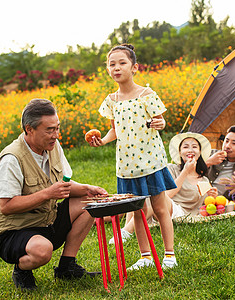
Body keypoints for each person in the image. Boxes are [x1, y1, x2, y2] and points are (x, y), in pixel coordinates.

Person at [0, 99, 108, 291]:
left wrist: (89, 189)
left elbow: (64, 185)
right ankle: (21, 270)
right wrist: (47, 194)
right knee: (42, 251)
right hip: (14, 232)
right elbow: (6, 206)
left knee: (91, 201)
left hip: (47, 222)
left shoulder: (53, 146)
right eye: (49, 130)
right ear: (29, 129)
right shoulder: (11, 158)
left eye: (57, 128)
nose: (56, 135)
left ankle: (66, 267)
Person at [87, 44, 178, 270]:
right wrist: (103, 140)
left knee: (159, 208)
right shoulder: (111, 100)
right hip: (127, 165)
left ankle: (170, 255)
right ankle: (145, 257)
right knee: (137, 211)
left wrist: (161, 123)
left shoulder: (147, 94)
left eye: (122, 63)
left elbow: (161, 121)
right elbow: (114, 130)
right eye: (111, 64)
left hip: (151, 162)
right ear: (108, 70)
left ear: (134, 67)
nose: (116, 68)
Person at [108, 132, 218, 244]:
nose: (190, 150)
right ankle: (126, 230)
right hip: (161, 209)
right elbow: (167, 194)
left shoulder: (204, 180)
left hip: (180, 213)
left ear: (199, 153)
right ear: (180, 152)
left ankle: (126, 232)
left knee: (156, 197)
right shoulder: (171, 169)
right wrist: (184, 172)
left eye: (194, 147)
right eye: (185, 147)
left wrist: (212, 197)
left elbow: (203, 208)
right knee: (143, 194)